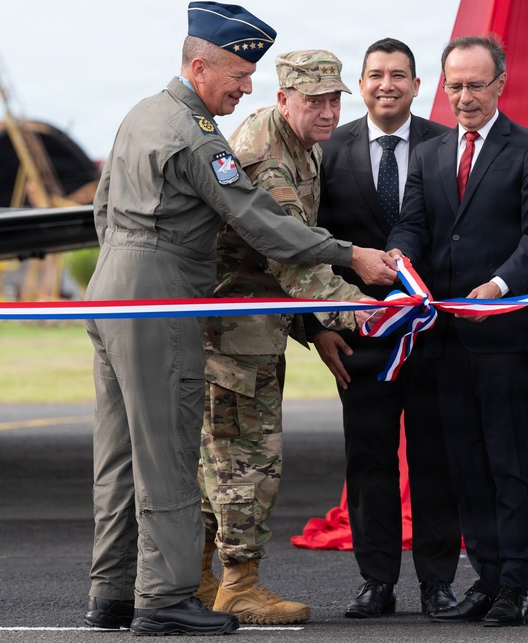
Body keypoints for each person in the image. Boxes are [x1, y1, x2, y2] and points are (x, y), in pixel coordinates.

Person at [83, 3, 395, 637]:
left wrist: (124, 264)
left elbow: (102, 205)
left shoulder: (140, 115)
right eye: (238, 73)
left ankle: (111, 594)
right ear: (200, 66)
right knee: (170, 452)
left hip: (111, 287)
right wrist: (349, 256)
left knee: (118, 454)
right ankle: (166, 598)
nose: (247, 85)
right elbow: (259, 222)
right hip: (161, 295)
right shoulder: (198, 133)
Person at [385, 34, 528, 627]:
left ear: (499, 85)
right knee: (467, 463)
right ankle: (486, 579)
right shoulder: (432, 153)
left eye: (474, 85)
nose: (463, 96)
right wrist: (401, 265)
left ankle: (516, 584)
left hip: (506, 334)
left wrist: (501, 284)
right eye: (454, 85)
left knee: (510, 461)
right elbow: (412, 224)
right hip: (445, 338)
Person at [196, 49, 372, 626]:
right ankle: (238, 585)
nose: (326, 112)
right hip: (237, 336)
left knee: (218, 462)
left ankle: (196, 578)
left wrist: (315, 327)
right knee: (248, 460)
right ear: (283, 99)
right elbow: (293, 260)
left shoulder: (302, 146)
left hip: (259, 325)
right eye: (313, 101)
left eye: (333, 100)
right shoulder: (265, 159)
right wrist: (362, 311)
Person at [309, 37, 462, 619]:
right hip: (359, 340)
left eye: (399, 74)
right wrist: (317, 327)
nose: (386, 84)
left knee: (434, 459)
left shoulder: (445, 145)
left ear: (418, 85)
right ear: (361, 84)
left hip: (434, 335)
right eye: (375, 74)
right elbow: (305, 248)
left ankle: (438, 583)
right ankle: (376, 581)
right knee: (368, 461)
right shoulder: (329, 150)